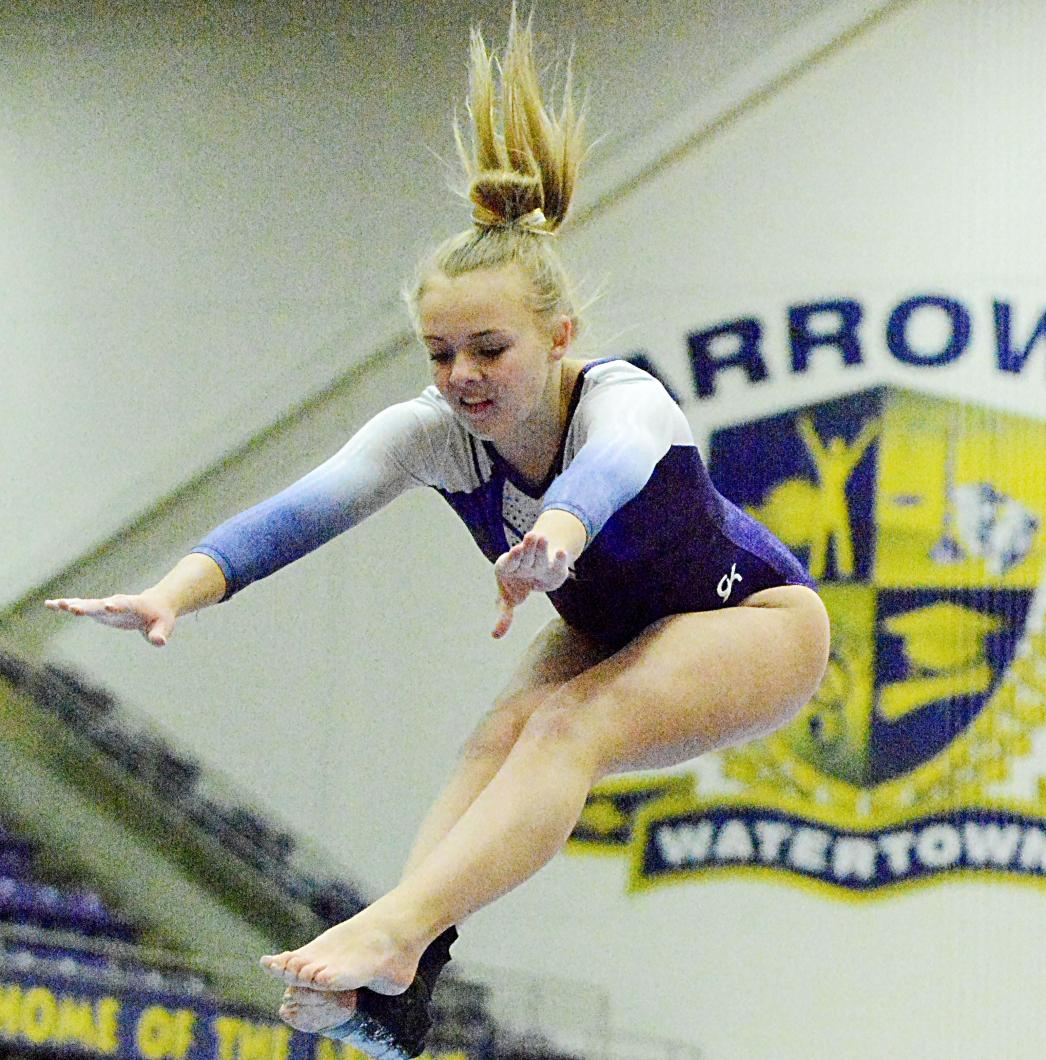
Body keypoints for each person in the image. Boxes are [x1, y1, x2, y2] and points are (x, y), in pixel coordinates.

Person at [46, 9, 830, 1052]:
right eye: (440, 352)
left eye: (489, 349)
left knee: (561, 730)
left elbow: (606, 474)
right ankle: (404, 974)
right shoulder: (432, 434)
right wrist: (171, 592)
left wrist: (554, 532)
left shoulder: (622, 399)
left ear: (560, 337)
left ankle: (394, 935)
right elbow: (297, 512)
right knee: (494, 740)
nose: (462, 375)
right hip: (616, 627)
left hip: (758, 619)